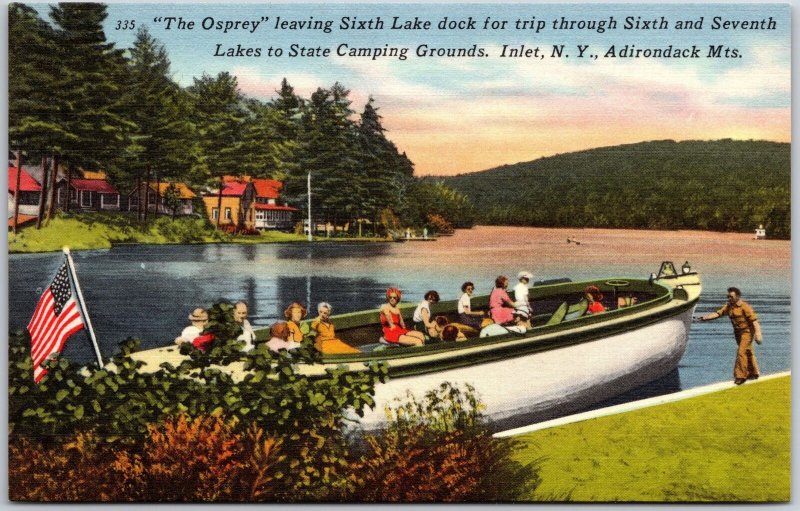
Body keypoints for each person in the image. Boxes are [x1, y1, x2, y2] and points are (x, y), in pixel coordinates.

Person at [699, 287, 763, 385]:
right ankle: (754, 373)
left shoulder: (745, 306)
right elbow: (718, 313)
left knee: (741, 352)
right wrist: (705, 317)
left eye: (731, 296)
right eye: (728, 296)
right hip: (737, 332)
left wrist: (758, 335)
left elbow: (755, 321)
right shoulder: (728, 306)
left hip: (747, 332)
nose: (729, 298)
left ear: (737, 296)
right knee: (747, 351)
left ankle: (740, 376)